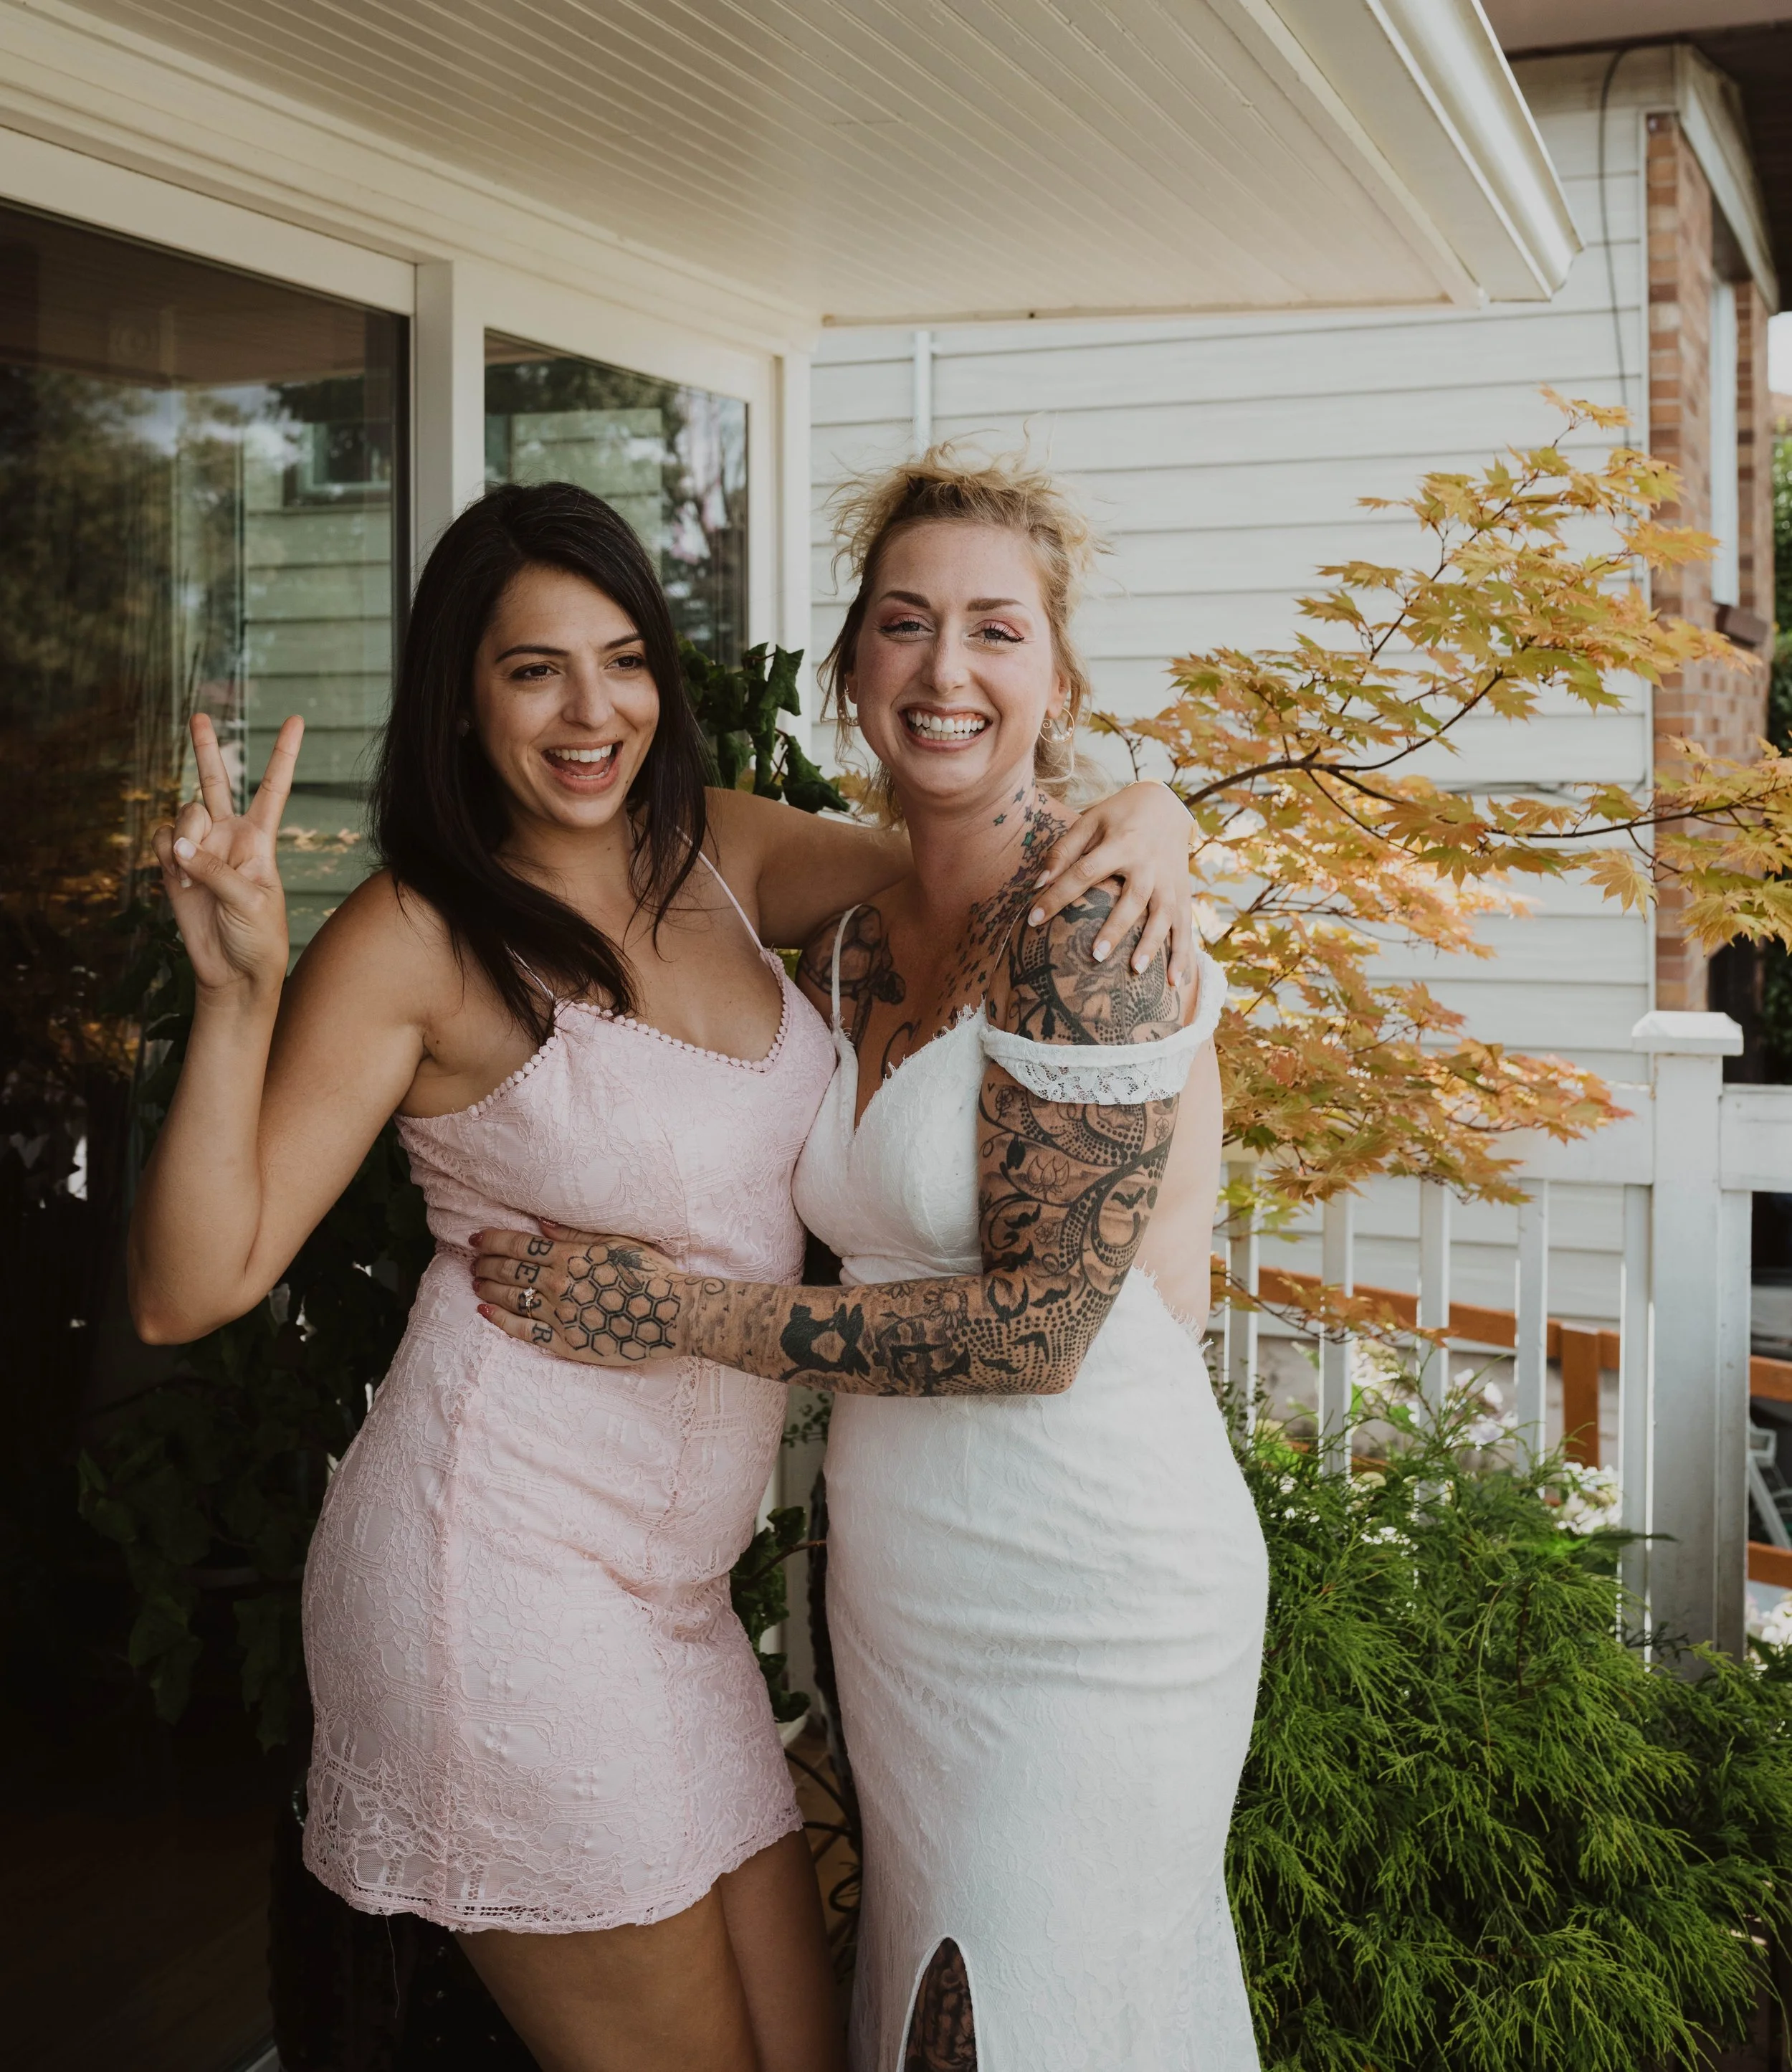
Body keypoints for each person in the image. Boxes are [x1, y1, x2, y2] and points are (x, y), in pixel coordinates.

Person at [127, 478, 1202, 2072]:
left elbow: (971, 857)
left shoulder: (718, 855)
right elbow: (186, 1285)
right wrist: (237, 993)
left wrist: (1160, 813)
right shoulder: (414, 939)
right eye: (532, 668)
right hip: (493, 1571)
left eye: (623, 659)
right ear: (460, 696)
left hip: (677, 1603)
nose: (589, 710)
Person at [474, 452, 1269, 2071]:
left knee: (1021, 2015)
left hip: (1094, 1582)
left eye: (995, 627)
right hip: (903, 1582)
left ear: (1057, 673)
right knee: (923, 2004)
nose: (944, 667)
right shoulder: (838, 939)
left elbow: (1042, 1324)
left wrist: (678, 1314)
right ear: (853, 667)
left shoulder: (1092, 934)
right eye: (902, 624)